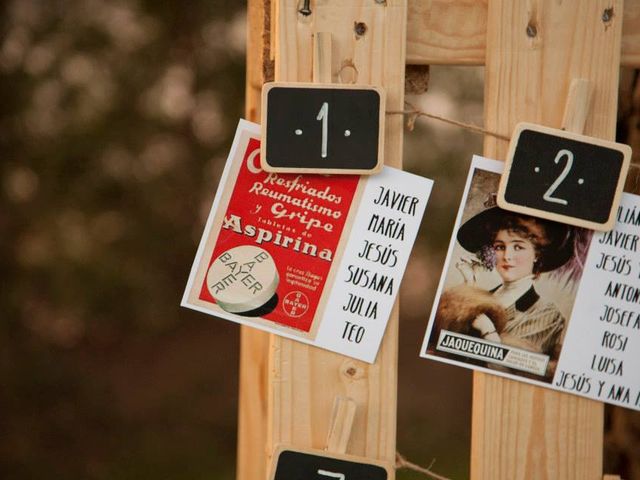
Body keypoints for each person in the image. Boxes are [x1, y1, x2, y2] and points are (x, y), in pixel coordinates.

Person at [434, 204, 577, 377]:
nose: (507, 256)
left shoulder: (546, 315)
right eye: (500, 247)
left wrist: (489, 332)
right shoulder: (484, 294)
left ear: (537, 254)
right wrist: (470, 285)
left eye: (518, 247)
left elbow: (515, 373)